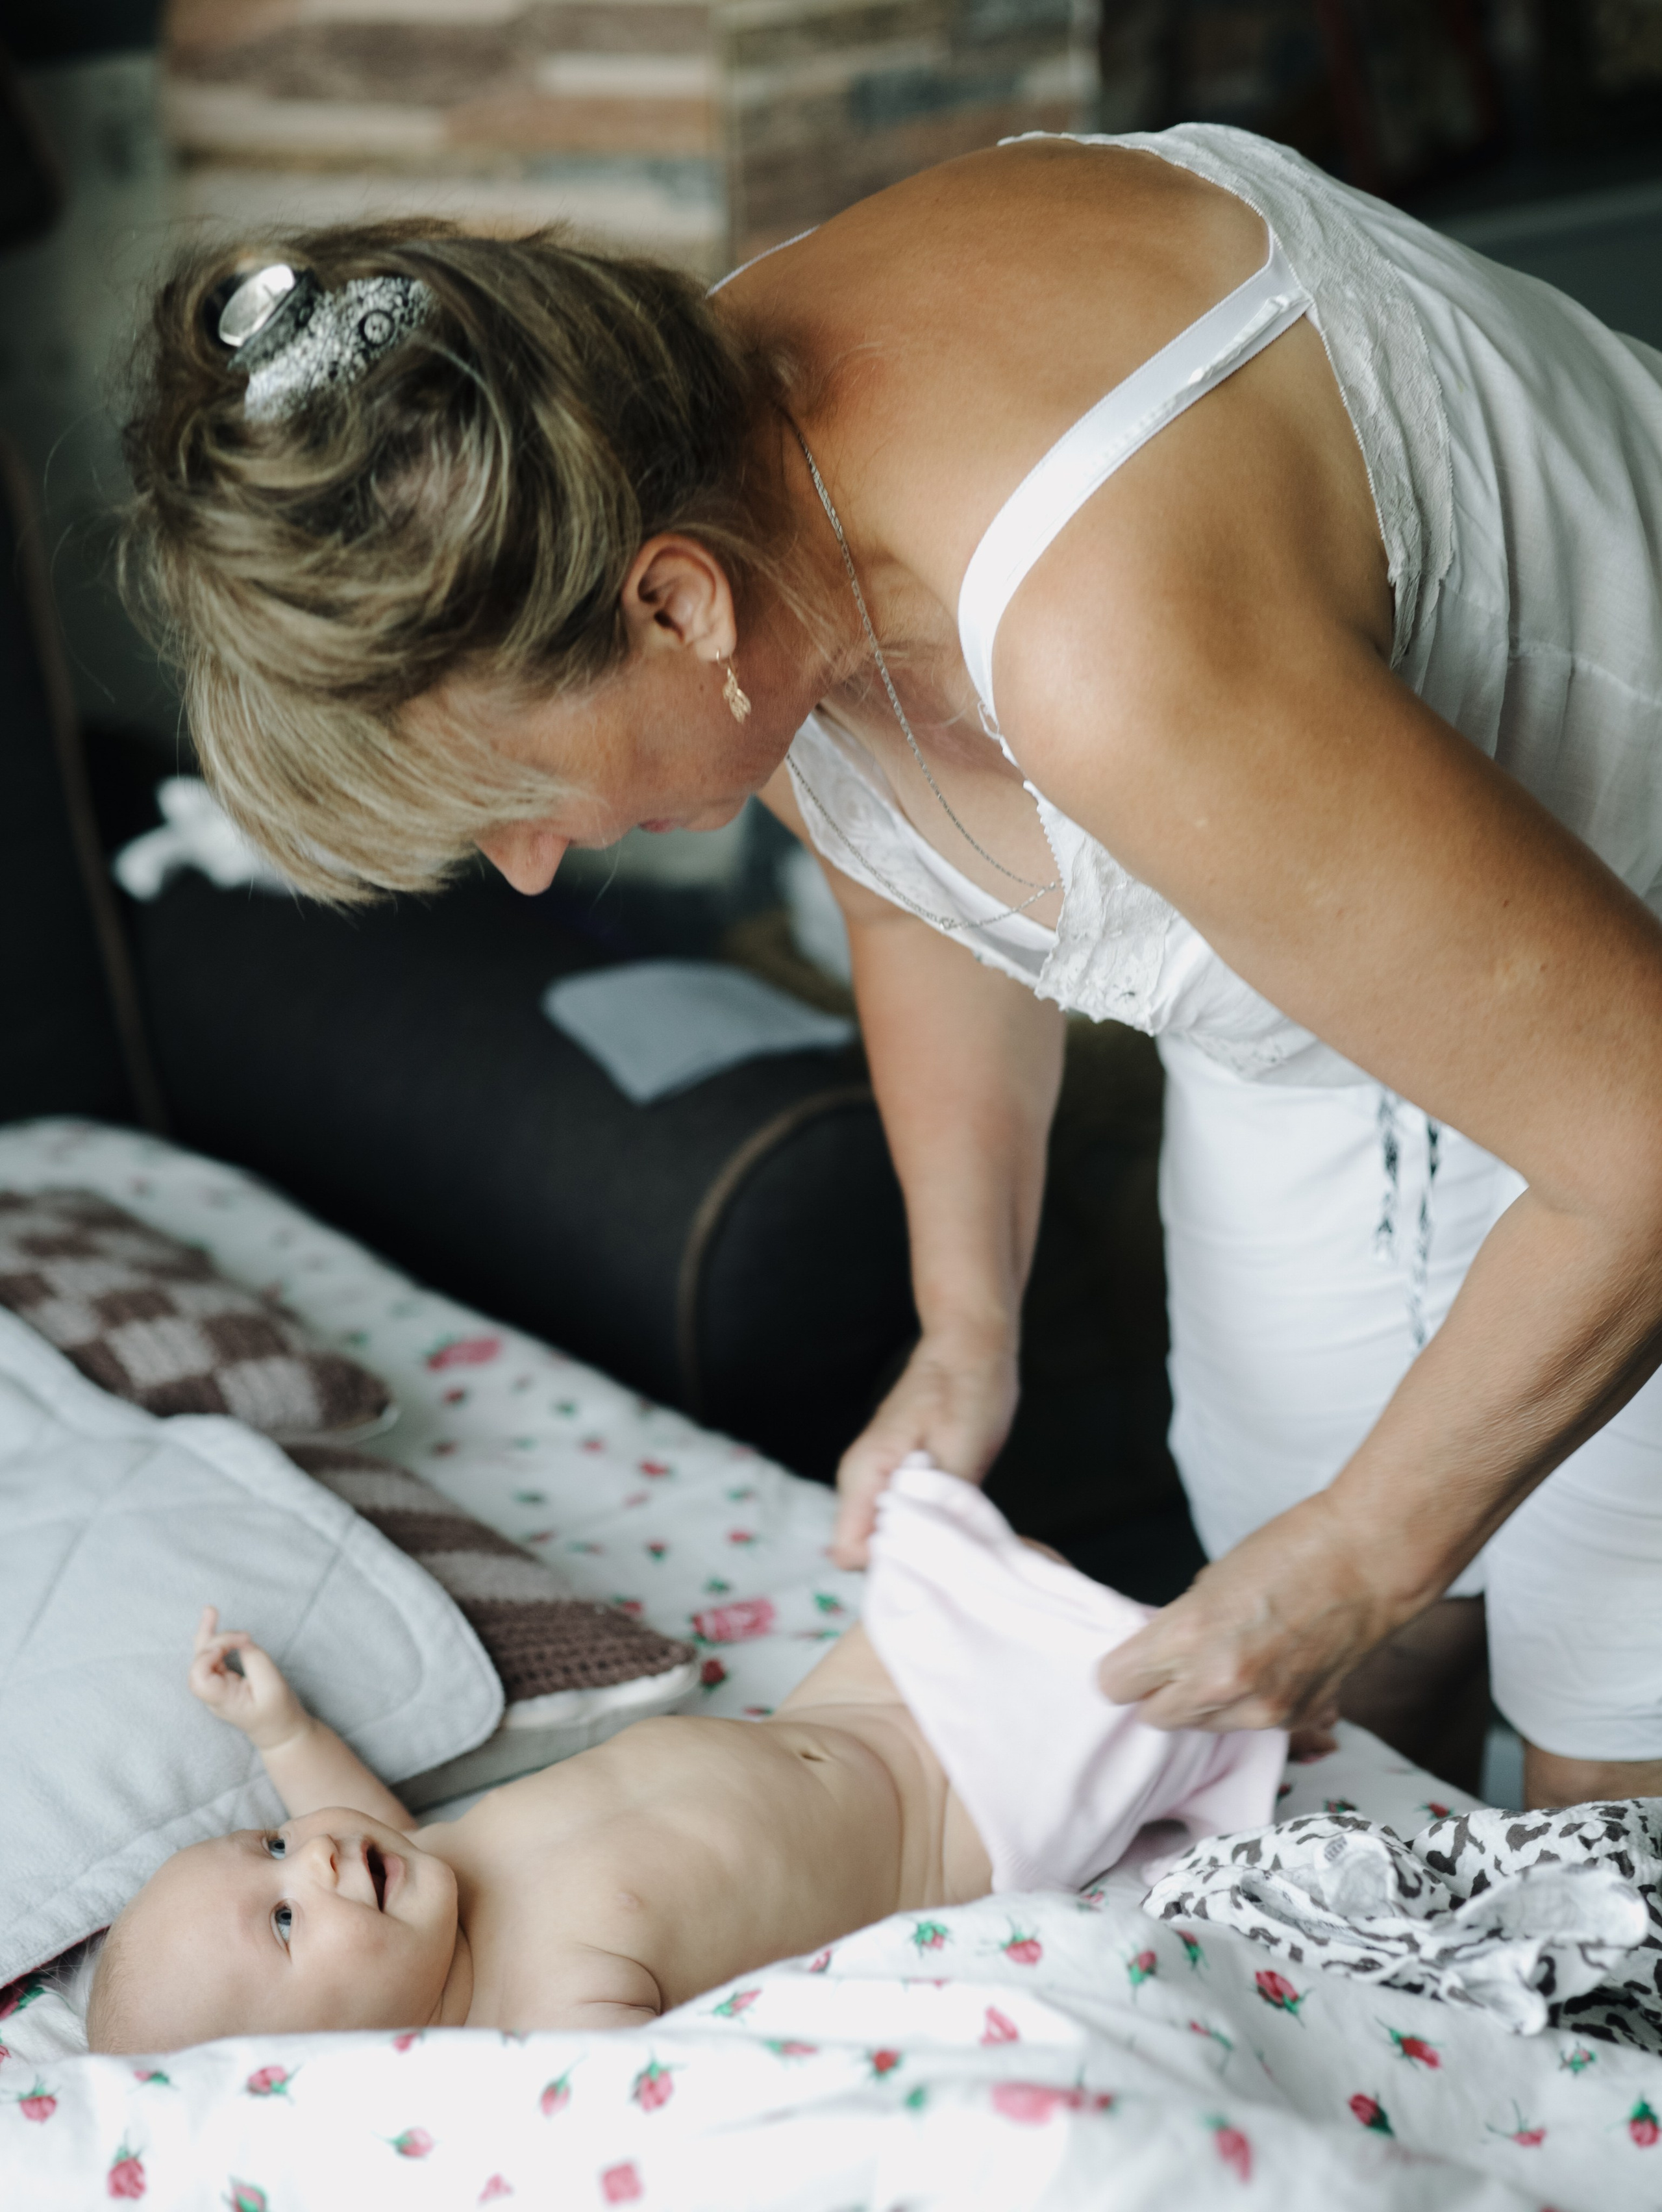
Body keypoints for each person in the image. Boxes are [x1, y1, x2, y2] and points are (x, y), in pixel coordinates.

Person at [121, 124, 1662, 1812]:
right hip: (1319, 955)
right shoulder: (628, 465)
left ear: (678, 610)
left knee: (1606, 1723)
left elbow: (1640, 1140)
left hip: (1628, 969)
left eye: (516, 796)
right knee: (1353, 1679)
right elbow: (916, 884)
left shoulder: (1104, 648)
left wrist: (1363, 1552)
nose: (535, 860)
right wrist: (963, 1326)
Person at [86, 1470, 1283, 2052]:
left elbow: (348, 1816)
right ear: (335, 2060)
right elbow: (666, 2101)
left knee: (982, 1557)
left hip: (839, 1710)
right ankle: (1280, 1699)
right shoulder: (536, 2013)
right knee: (1160, 1682)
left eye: (270, 1847)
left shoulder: (410, 1868)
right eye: (287, 1922)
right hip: (953, 1818)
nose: (317, 1856)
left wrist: (280, 1732)